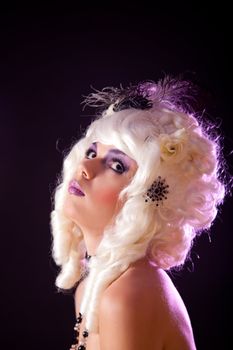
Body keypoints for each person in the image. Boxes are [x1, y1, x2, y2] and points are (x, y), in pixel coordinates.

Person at [50, 75, 227, 350]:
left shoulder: (127, 294)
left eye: (117, 166)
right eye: (92, 152)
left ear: (145, 197)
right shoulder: (92, 289)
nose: (86, 167)